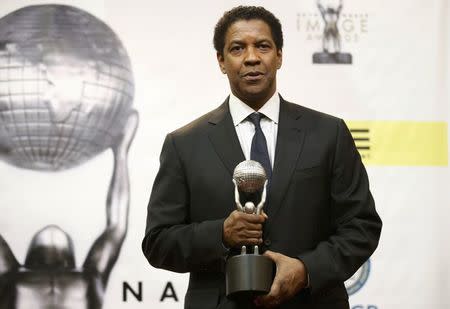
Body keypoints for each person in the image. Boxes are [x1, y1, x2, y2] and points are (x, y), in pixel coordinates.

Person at [142, 6, 381, 309]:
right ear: (221, 61)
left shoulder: (328, 133)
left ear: (279, 55)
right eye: (237, 48)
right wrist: (221, 233)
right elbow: (158, 242)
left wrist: (306, 270)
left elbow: (362, 226)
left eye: (263, 46)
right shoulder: (184, 144)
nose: (251, 57)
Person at [0, 111, 138, 308]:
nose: (52, 233)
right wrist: (121, 152)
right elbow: (116, 228)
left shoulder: (9, 277)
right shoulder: (92, 277)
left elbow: (117, 229)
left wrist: (121, 152)